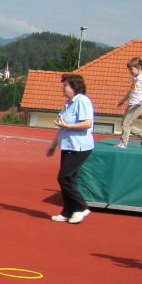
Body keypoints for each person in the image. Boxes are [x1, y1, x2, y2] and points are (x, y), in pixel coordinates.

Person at [47, 73, 95, 224]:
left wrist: (68, 126)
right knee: (69, 178)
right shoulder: (69, 103)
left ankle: (81, 207)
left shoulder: (82, 101)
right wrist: (53, 145)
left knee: (64, 177)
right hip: (68, 146)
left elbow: (87, 123)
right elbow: (62, 128)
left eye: (65, 85)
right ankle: (68, 211)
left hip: (79, 147)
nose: (63, 88)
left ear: (74, 87)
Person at [115, 57, 142, 148]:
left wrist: (140, 103)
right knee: (125, 123)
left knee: (125, 124)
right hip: (131, 103)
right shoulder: (134, 78)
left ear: (139, 68)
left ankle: (123, 143)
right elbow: (131, 91)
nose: (130, 71)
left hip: (138, 105)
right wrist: (122, 100)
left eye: (131, 69)